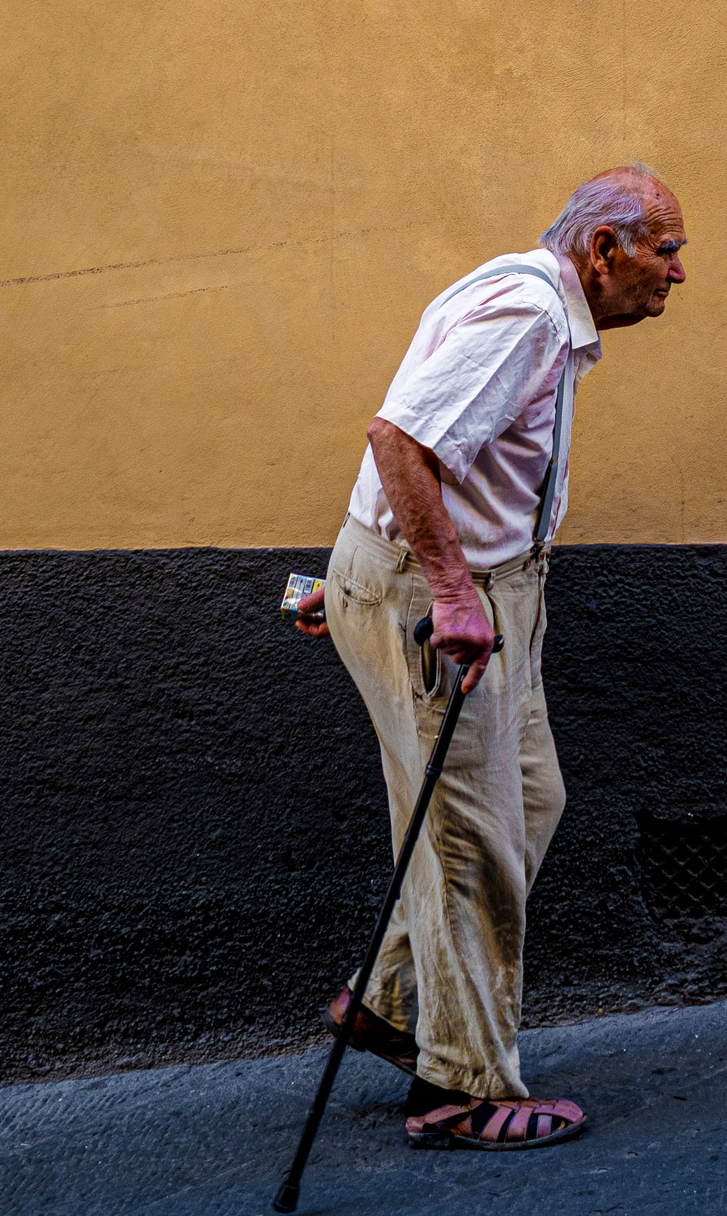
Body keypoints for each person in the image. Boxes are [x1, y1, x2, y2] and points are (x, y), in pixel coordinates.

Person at [292, 165, 689, 1149]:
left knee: (528, 799)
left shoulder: (536, 304)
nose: (677, 274)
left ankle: (392, 1001)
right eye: (665, 250)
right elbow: (398, 439)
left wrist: (358, 580)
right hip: (443, 599)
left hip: (461, 584)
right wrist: (440, 590)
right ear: (604, 250)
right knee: (471, 837)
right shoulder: (525, 310)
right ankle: (460, 1085)